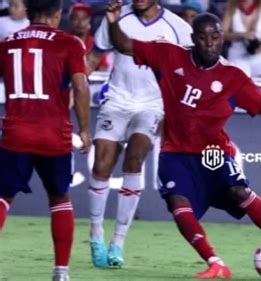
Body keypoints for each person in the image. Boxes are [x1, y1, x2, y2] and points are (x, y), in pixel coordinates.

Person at [106, 1, 261, 279]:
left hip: (214, 153)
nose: (210, 43)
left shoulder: (233, 77)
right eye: (203, 37)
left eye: (215, 37)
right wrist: (113, 21)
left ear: (222, 38)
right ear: (193, 38)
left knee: (240, 192)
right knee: (177, 202)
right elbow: (125, 45)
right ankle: (215, 262)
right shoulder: (168, 56)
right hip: (175, 152)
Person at [85, 0, 192, 269]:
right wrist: (69, 85)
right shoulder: (116, 18)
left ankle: (118, 241)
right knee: (101, 164)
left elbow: (188, 73)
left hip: (152, 105)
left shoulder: (178, 28)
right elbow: (93, 58)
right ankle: (96, 234)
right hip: (117, 100)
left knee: (134, 160)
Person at [0, 0, 91, 280]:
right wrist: (85, 129)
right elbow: (80, 85)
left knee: (3, 197)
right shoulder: (70, 43)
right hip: (54, 135)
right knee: (59, 197)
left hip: (16, 133)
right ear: (58, 13)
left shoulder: (7, 43)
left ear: (27, 11)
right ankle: (61, 271)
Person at [222, 0, 261, 77]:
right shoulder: (231, 8)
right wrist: (241, 35)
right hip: (238, 55)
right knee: (240, 85)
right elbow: (222, 34)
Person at [69, 3, 109, 71]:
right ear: (71, 20)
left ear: (90, 20)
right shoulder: (63, 41)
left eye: (84, 18)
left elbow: (103, 68)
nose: (80, 22)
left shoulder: (96, 43)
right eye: (76, 18)